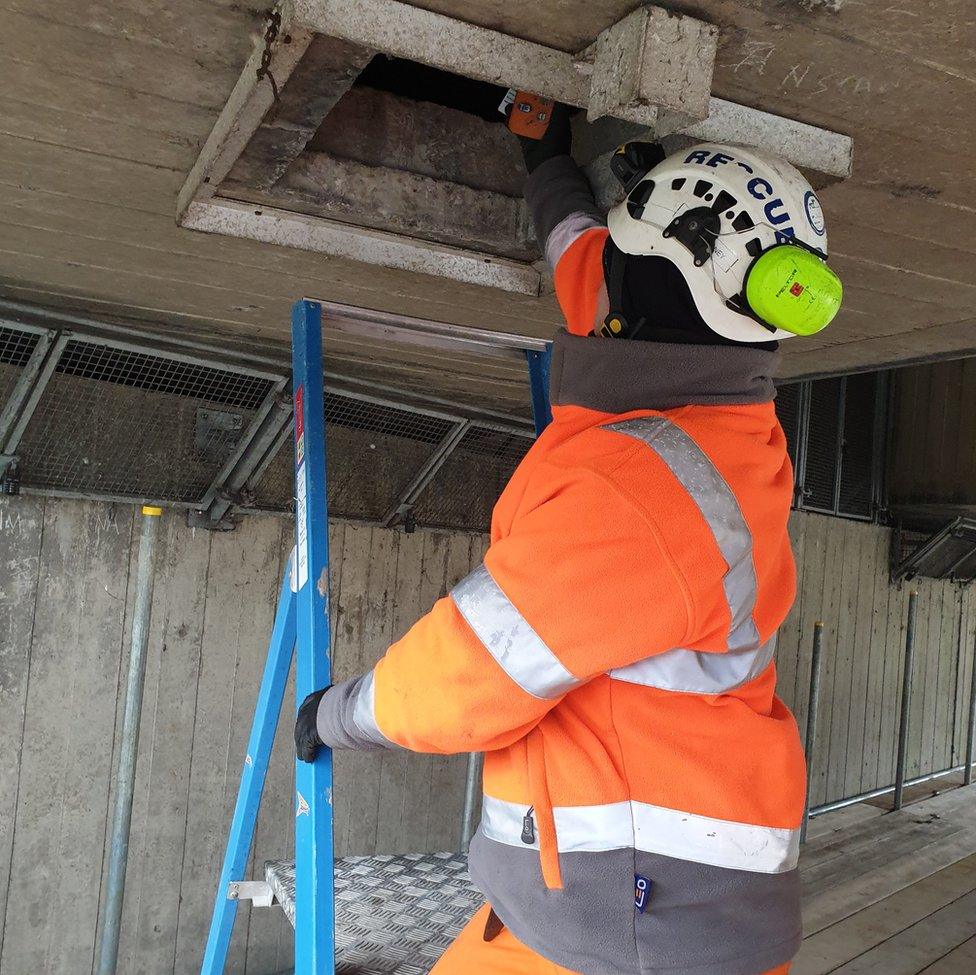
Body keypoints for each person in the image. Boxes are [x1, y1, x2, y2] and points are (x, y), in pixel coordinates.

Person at [295, 102, 843, 975]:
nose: (604, 278)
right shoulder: (712, 390)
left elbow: (469, 670)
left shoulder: (649, 491)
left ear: (645, 287)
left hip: (635, 928)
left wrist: (336, 715)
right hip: (628, 905)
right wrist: (545, 163)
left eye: (625, 256)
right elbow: (590, 262)